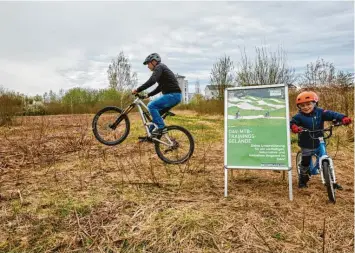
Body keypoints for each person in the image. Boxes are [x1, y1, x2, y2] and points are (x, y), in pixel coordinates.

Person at [290, 91, 352, 189]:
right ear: (299, 107)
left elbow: (332, 114)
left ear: (315, 103)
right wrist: (294, 127)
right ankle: (302, 180)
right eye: (302, 105)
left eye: (308, 104)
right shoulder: (299, 116)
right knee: (305, 163)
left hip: (320, 140)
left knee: (325, 157)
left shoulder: (320, 112)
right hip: (306, 142)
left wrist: (343, 118)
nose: (306, 107)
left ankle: (332, 181)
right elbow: (292, 122)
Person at [132, 53, 182, 137]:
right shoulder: (162, 69)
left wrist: (138, 89)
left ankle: (161, 128)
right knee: (156, 115)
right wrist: (147, 95)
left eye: (148, 63)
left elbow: (152, 80)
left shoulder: (159, 67)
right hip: (174, 96)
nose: (148, 66)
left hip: (173, 95)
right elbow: (159, 88)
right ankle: (150, 135)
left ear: (154, 62)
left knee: (151, 106)